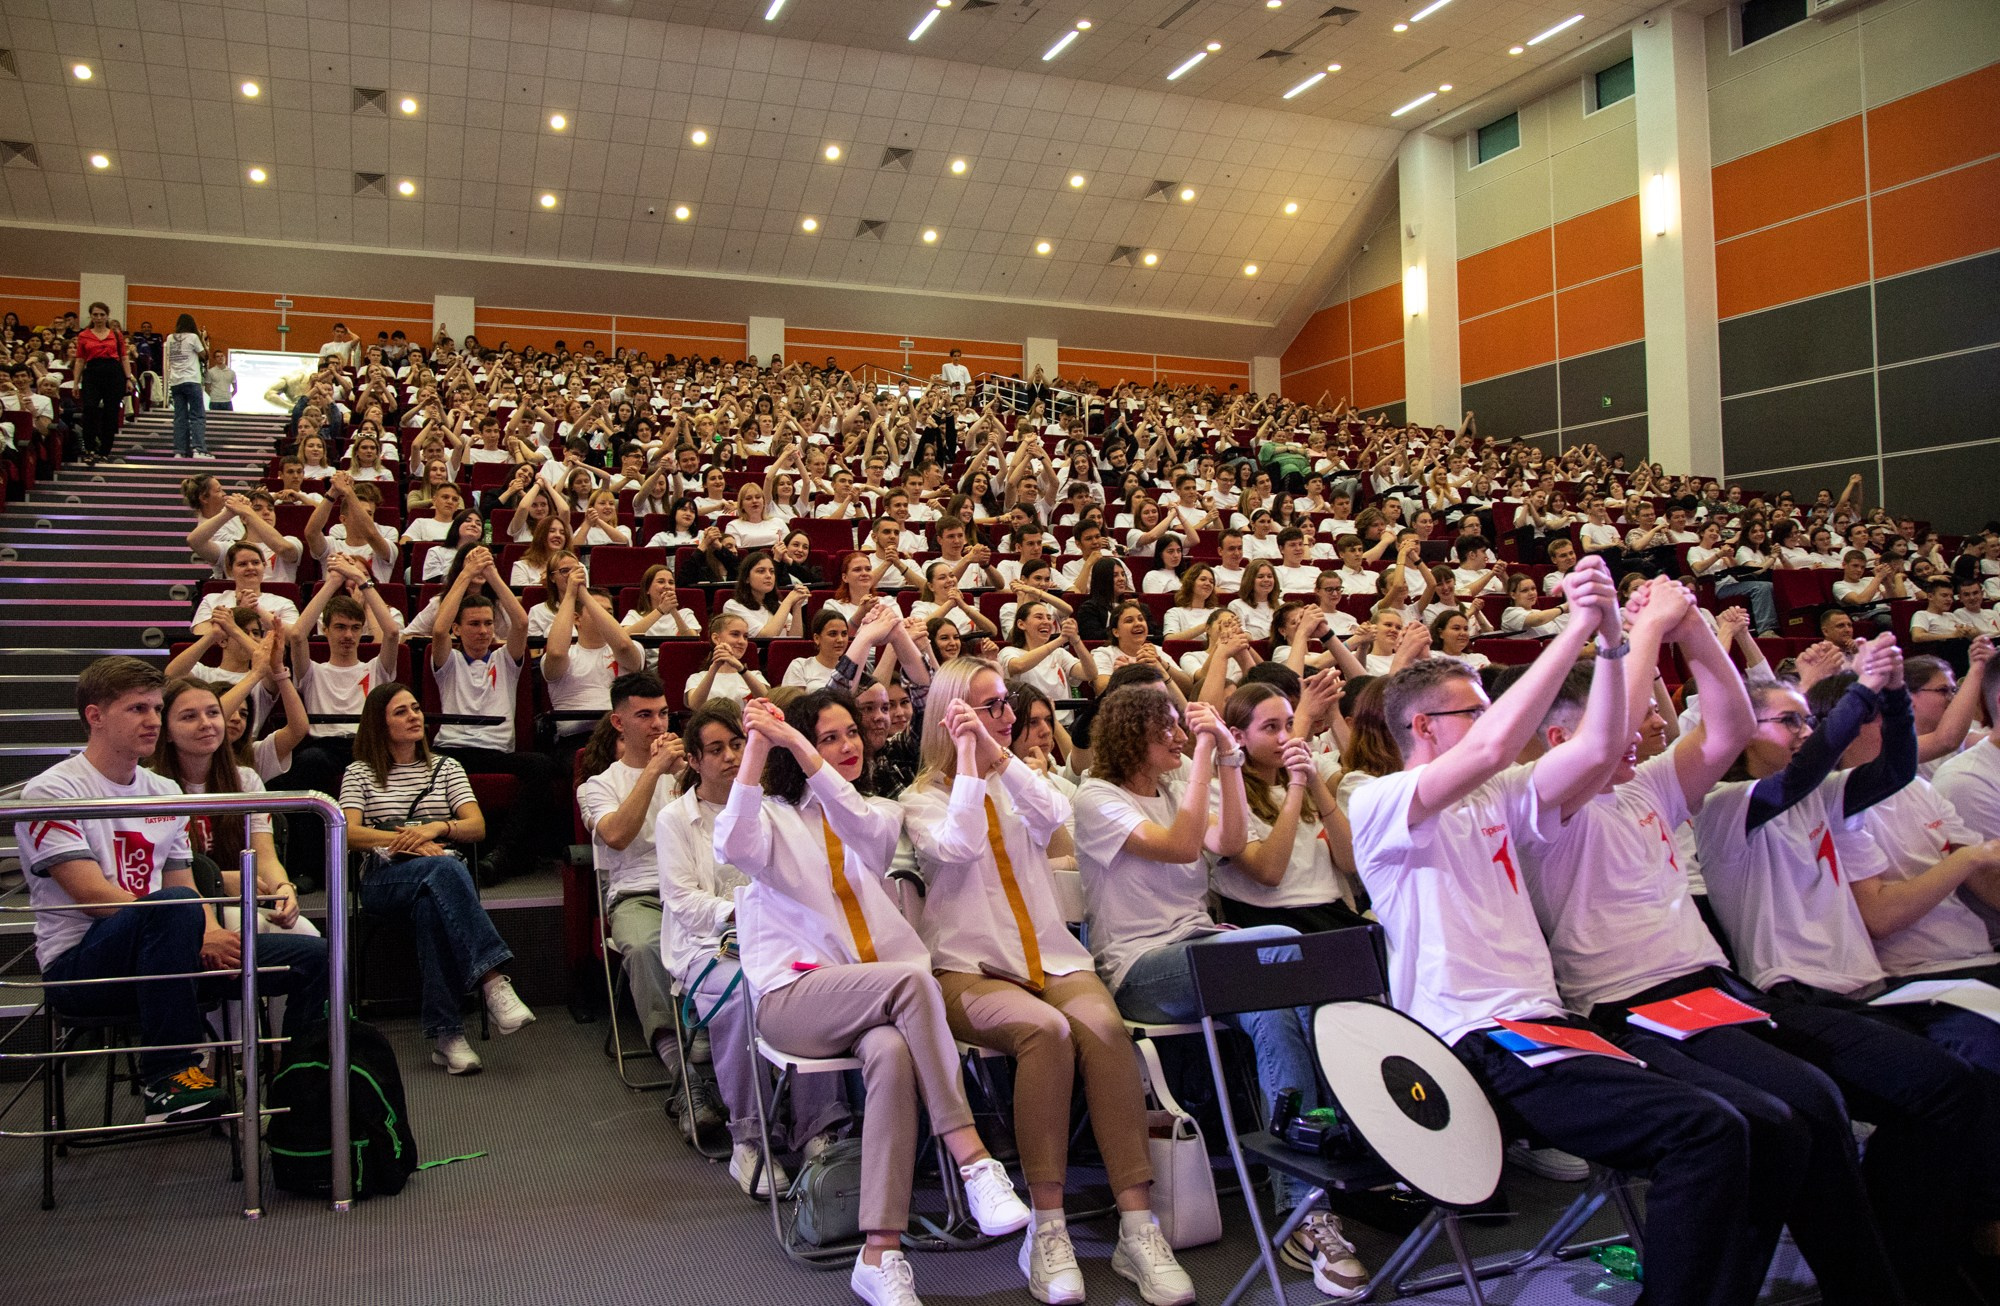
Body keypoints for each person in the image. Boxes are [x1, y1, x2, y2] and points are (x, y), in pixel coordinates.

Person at [1348, 557, 1779, 1306]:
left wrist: (1614, 643)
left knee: (1749, 1121)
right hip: (1473, 1038)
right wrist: (1579, 624)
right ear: (1421, 726)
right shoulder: (1383, 801)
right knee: (1705, 1134)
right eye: (1473, 710)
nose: (1491, 725)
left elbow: (1598, 745)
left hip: (1547, 1026)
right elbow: (1488, 748)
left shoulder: (1501, 794)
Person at [1513, 578, 1906, 1303]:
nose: (1646, 732)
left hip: (1713, 990)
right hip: (1633, 1004)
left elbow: (1726, 728)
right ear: (1562, 738)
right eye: (1620, 725)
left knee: (1818, 1110)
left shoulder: (1644, 786)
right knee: (1796, 1112)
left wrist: (1693, 629)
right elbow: (1609, 734)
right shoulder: (1539, 800)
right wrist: (1646, 633)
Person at [714, 691, 1031, 1306]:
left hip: (870, 1000)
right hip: (794, 998)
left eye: (851, 732)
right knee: (912, 980)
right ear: (799, 748)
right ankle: (972, 1160)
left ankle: (878, 1252)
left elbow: (859, 825)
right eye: (830, 737)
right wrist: (760, 741)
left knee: (890, 1053)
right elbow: (731, 843)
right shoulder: (772, 817)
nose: (849, 744)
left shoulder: (877, 813)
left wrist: (804, 748)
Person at [898, 660, 1197, 1306]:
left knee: (1105, 1030)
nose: (1004, 715)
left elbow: (1057, 818)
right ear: (951, 714)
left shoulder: (1019, 777)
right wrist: (974, 764)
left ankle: (1138, 1227)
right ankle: (1049, 1228)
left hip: (1052, 958)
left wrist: (999, 760)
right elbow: (958, 845)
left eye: (1005, 702)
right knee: (1046, 1032)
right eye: (987, 706)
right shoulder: (919, 799)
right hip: (967, 968)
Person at [1072, 687, 1369, 1298]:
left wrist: (1231, 763)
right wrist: (1210, 747)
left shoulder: (1181, 786)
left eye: (1184, 732)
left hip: (1205, 947)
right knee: (1283, 948)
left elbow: (1230, 842)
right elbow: (1182, 846)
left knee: (1284, 1008)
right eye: (1170, 732)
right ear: (1135, 737)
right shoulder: (1097, 797)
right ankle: (1319, 1170)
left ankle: (1305, 1203)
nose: (1180, 740)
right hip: (1140, 968)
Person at [15, 658, 325, 1122]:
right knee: (175, 907)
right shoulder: (53, 791)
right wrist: (191, 928)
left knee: (310, 957)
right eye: (137, 709)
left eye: (157, 708)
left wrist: (203, 931)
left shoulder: (162, 788)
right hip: (84, 967)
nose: (152, 721)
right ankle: (168, 1074)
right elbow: (96, 898)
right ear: (95, 716)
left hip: (171, 951)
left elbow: (183, 881)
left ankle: (300, 1089)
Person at [653, 699, 847, 1192]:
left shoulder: (770, 804)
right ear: (694, 761)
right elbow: (683, 902)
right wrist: (738, 911)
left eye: (737, 744)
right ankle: (750, 1139)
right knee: (742, 995)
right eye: (715, 750)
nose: (730, 757)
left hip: (775, 939)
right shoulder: (676, 818)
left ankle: (817, 1128)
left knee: (811, 985)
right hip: (706, 947)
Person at [341, 683, 534, 1075]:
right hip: (384, 879)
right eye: (402, 712)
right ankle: (493, 979)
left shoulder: (447, 767)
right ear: (379, 723)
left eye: (416, 708)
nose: (415, 717)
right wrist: (406, 842)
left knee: (433, 904)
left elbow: (476, 826)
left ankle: (448, 1038)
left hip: (440, 876)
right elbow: (348, 833)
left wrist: (435, 829)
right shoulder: (359, 773)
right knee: (445, 869)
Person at [575, 672, 727, 1140]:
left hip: (700, 888)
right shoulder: (598, 785)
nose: (657, 723)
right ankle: (686, 1080)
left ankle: (721, 1047)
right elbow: (617, 836)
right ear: (619, 722)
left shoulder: (692, 770)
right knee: (641, 949)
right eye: (644, 715)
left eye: (663, 713)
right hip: (639, 894)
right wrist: (653, 772)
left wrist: (692, 774)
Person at [429, 546, 560, 881]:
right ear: (460, 629)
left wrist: (491, 575)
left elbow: (521, 621)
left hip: (495, 751)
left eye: (488, 623)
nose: (483, 631)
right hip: (452, 751)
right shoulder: (449, 661)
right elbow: (439, 630)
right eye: (474, 624)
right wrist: (465, 573)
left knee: (542, 766)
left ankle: (502, 856)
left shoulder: (504, 659)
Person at [1211, 676, 1364, 931]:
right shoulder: (1222, 794)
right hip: (1272, 918)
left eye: (1290, 725)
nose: (1285, 737)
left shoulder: (1306, 779)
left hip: (1329, 910)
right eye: (1271, 727)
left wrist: (1313, 782)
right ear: (1238, 736)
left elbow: (1350, 861)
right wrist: (1296, 786)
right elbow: (1269, 873)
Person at [69, 300, 130, 464]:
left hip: (113, 373)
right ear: (91, 316)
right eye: (95, 314)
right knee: (89, 410)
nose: (98, 317)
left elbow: (124, 357)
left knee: (111, 414)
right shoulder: (83, 335)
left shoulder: (116, 334)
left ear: (107, 316)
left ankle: (104, 451)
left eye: (102, 314)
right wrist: (76, 382)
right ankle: (89, 449)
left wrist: (128, 378)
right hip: (92, 373)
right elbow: (80, 360)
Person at [163, 314, 208, 458]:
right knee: (197, 416)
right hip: (191, 380)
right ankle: (198, 449)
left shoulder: (170, 338)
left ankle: (179, 451)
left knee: (180, 418)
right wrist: (202, 337)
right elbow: (204, 356)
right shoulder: (193, 337)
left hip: (176, 381)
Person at [783, 609, 849, 690]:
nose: (840, 640)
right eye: (833, 634)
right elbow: (793, 702)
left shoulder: (850, 671)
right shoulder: (800, 666)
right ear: (817, 638)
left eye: (844, 634)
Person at [204, 345, 236, 412]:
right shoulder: (210, 372)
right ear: (215, 359)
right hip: (215, 401)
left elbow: (235, 389)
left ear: (225, 357)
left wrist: (229, 396)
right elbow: (207, 388)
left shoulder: (231, 372)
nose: (220, 358)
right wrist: (214, 396)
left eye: (222, 356)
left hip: (227, 401)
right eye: (218, 356)